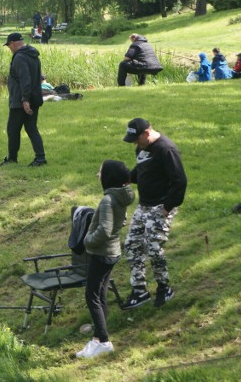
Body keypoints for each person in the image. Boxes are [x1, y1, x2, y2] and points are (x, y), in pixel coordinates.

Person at [121, 118, 187, 309]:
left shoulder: (166, 150)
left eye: (136, 139)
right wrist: (124, 177)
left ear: (147, 133)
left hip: (161, 206)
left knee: (153, 247)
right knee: (131, 244)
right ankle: (139, 290)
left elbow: (180, 181)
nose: (135, 143)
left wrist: (167, 207)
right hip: (144, 206)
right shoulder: (142, 148)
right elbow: (141, 170)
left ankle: (164, 287)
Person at [76, 160, 135, 359]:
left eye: (100, 171)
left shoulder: (108, 200)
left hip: (102, 253)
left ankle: (104, 341)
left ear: (108, 175)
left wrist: (87, 241)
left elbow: (105, 230)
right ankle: (97, 339)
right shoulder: (120, 196)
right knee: (100, 293)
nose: (98, 174)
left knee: (91, 296)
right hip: (112, 251)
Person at [0, 32, 46, 167]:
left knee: (12, 130)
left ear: (12, 43)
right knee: (31, 128)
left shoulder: (19, 58)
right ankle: (40, 158)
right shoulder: (33, 55)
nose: (9, 49)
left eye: (9, 46)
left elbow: (25, 80)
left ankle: (12, 159)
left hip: (20, 101)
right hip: (34, 98)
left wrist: (25, 100)